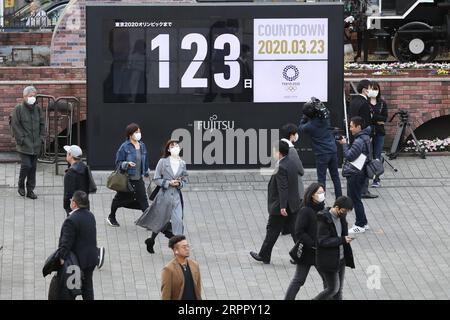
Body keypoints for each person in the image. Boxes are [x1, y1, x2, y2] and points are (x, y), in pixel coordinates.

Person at [249, 140, 300, 264]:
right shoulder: (292, 162)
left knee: (272, 230)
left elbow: (283, 188)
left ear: (280, 153)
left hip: (281, 206)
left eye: (274, 151)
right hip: (293, 204)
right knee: (294, 231)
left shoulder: (281, 167)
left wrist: (282, 206)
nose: (272, 153)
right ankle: (302, 256)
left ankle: (263, 255)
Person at [136, 140, 188, 254]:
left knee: (178, 221)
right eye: (172, 146)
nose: (175, 148)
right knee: (160, 221)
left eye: (177, 146)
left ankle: (178, 249)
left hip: (176, 197)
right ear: (168, 149)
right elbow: (156, 179)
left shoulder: (182, 163)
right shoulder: (163, 162)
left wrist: (179, 184)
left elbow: (185, 179)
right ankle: (151, 240)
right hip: (164, 196)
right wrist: (168, 183)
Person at [284, 182, 327, 300]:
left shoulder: (322, 209)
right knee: (299, 280)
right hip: (307, 252)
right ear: (312, 195)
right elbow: (299, 232)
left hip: (319, 252)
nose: (322, 195)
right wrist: (313, 244)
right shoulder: (305, 211)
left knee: (328, 281)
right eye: (319, 193)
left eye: (323, 192)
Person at [57, 191, 99, 300]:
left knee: (71, 289)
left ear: (74, 204)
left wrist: (61, 257)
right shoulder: (90, 215)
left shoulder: (71, 220)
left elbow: (66, 242)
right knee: (87, 287)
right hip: (91, 259)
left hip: (76, 262)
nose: (70, 201)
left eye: (71, 200)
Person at [107, 123, 150, 227]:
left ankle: (149, 222)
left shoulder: (142, 145)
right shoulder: (124, 147)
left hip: (138, 178)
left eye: (139, 131)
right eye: (136, 132)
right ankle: (111, 217)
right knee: (119, 199)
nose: (138, 134)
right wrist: (127, 164)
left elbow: (145, 160)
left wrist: (146, 171)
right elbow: (118, 163)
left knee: (143, 199)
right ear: (130, 134)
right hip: (127, 179)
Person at [313, 196, 355, 300]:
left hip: (340, 259)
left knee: (338, 290)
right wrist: (342, 240)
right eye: (344, 211)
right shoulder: (324, 219)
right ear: (337, 207)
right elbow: (323, 241)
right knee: (333, 289)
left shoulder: (341, 218)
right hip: (328, 261)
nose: (345, 213)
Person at [298, 100, 343, 199]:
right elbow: (325, 112)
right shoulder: (325, 120)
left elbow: (300, 127)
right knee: (335, 177)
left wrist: (305, 116)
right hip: (332, 150)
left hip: (322, 154)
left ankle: (321, 201)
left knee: (321, 179)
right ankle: (339, 201)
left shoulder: (309, 126)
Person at [337, 116, 371, 234]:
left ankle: (360, 224)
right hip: (360, 172)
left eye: (352, 126)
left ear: (358, 127)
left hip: (355, 173)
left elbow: (350, 156)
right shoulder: (365, 137)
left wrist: (344, 144)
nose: (350, 129)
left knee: (355, 199)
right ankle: (364, 222)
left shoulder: (359, 141)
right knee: (357, 198)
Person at [11, 86, 45, 200]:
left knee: (33, 168)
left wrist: (41, 138)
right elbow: (15, 126)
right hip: (24, 145)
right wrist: (22, 140)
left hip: (36, 145)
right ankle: (21, 185)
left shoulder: (38, 109)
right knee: (27, 165)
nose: (33, 98)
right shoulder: (18, 109)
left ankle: (30, 190)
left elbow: (42, 124)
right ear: (24, 97)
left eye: (34, 96)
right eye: (30, 96)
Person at [347, 79, 378, 199]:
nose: (372, 90)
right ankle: (364, 190)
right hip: (363, 137)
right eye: (370, 88)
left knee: (356, 163)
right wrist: (369, 137)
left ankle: (356, 188)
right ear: (365, 89)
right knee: (365, 164)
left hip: (354, 136)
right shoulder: (364, 103)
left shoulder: (354, 101)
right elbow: (365, 122)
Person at [280, 123, 305, 235]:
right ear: (291, 135)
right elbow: (300, 169)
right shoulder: (291, 150)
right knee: (296, 206)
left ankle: (285, 228)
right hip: (294, 182)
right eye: (295, 134)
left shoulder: (280, 146)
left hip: (284, 181)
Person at [161, 235, 202, 300]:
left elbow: (198, 288)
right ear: (175, 250)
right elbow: (166, 295)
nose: (187, 249)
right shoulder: (168, 269)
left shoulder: (195, 265)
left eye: (187, 246)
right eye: (184, 247)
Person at [368, 81, 388, 188]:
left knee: (377, 156)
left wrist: (374, 117)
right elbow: (367, 118)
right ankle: (367, 176)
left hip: (379, 132)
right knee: (368, 155)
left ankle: (377, 178)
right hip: (369, 132)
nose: (374, 91)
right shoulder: (365, 102)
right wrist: (376, 119)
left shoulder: (382, 103)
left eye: (375, 89)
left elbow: (384, 118)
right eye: (372, 89)